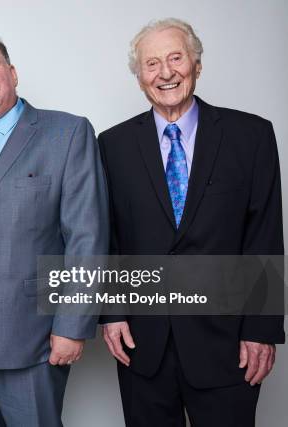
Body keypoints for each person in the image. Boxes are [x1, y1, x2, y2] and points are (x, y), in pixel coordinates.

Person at [98, 18, 284, 427]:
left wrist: (261, 329)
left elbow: (264, 235)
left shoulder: (251, 136)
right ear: (139, 77)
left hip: (229, 346)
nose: (165, 72)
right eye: (151, 64)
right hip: (143, 347)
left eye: (176, 58)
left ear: (197, 64)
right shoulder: (112, 145)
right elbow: (107, 236)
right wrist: (110, 314)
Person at [0, 33, 108, 426]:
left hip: (32, 336)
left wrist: (72, 325)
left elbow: (87, 236)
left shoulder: (66, 134)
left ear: (12, 73)